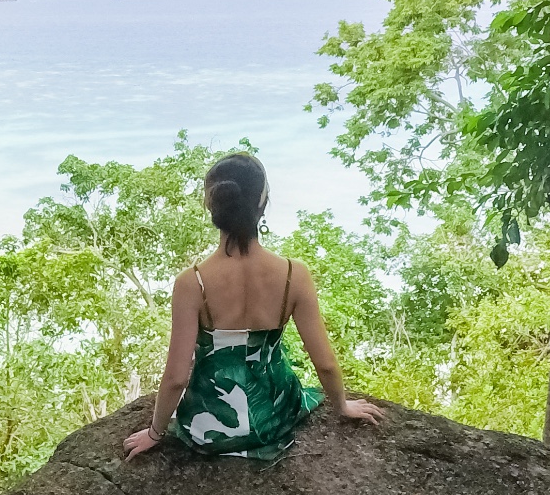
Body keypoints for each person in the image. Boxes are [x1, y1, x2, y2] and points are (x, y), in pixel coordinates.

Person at [123, 152, 385, 462]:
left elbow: (176, 378)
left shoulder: (192, 282)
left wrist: (155, 432)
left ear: (211, 204)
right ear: (263, 201)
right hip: (275, 416)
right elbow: (325, 363)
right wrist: (342, 406)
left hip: (211, 423)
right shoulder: (293, 274)